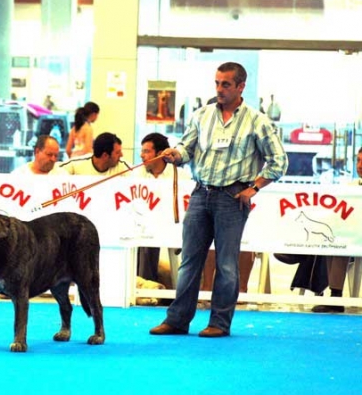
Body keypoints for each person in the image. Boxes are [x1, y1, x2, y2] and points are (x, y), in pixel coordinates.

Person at [149, 62, 287, 338]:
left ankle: (219, 323)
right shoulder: (201, 116)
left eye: (226, 84)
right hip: (200, 194)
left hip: (233, 197)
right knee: (189, 261)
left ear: (240, 86)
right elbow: (186, 149)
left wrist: (254, 188)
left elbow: (279, 161)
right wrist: (175, 155)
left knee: (226, 264)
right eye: (217, 83)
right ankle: (177, 320)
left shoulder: (258, 121)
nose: (220, 89)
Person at [133, 133, 190, 284]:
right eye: (142, 151)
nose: (141, 155)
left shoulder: (181, 176)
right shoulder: (136, 175)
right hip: (145, 226)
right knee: (146, 235)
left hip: (174, 226)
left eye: (146, 151)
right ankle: (146, 286)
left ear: (159, 154)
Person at [311, 146, 362, 313]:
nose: (360, 165)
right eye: (358, 161)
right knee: (334, 239)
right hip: (352, 233)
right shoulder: (350, 186)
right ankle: (334, 296)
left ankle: (334, 295)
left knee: (340, 242)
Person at [60, 132, 130, 176]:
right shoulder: (76, 164)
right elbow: (55, 171)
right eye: (117, 152)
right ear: (105, 155)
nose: (121, 155)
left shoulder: (123, 167)